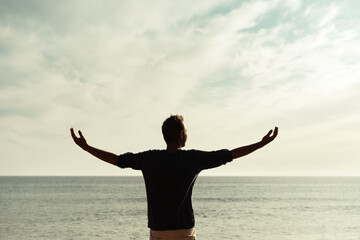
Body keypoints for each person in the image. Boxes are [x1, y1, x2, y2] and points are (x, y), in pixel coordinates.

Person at [70, 115, 278, 240]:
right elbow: (230, 154)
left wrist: (86, 147)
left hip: (159, 231)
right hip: (184, 231)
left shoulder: (150, 159)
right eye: (186, 131)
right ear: (180, 135)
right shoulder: (193, 159)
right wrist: (261, 144)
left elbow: (116, 160)